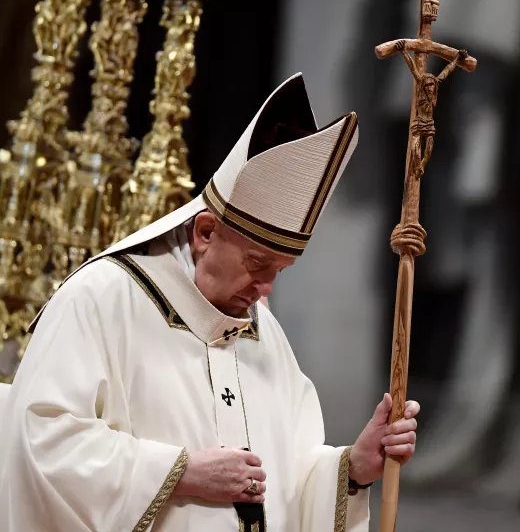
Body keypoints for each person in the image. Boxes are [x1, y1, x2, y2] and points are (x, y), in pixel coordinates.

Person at [0, 73, 420, 532]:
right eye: (257, 264)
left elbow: (288, 478)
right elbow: (41, 437)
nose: (265, 289)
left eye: (279, 272)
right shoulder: (101, 298)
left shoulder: (263, 330)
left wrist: (352, 470)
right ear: (204, 234)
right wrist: (179, 472)